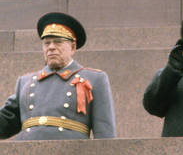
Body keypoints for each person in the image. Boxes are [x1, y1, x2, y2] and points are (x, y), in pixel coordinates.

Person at [0, 12, 116, 140]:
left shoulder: (94, 78)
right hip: (25, 153)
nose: (51, 47)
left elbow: (105, 132)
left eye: (58, 42)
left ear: (72, 47)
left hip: (72, 154)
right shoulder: (25, 82)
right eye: (46, 43)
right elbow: (5, 124)